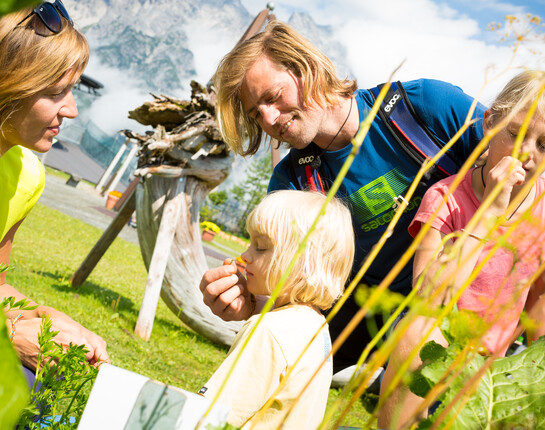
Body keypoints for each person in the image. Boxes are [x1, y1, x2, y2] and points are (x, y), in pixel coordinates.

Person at [200, 20, 487, 375]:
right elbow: (290, 284)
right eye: (257, 114)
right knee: (264, 356)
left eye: (272, 98)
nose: (270, 119)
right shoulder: (292, 181)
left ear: (305, 67)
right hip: (361, 312)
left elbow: (524, 173)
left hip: (461, 300)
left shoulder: (425, 108)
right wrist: (246, 301)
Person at [378, 70, 545, 429]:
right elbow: (429, 296)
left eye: (544, 145)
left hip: (487, 370)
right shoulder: (444, 198)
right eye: (517, 134)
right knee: (418, 329)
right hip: (430, 350)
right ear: (490, 124)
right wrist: (490, 214)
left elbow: (539, 302)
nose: (527, 153)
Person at [0, 1, 109, 378]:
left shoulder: (25, 174)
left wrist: (47, 317)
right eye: (56, 92)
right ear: (10, 85)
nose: (73, 110)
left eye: (73, 90)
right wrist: (10, 334)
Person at [199, 190, 354, 429]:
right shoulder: (316, 327)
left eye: (260, 247)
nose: (245, 255)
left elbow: (210, 416)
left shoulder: (268, 330)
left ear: (306, 263)